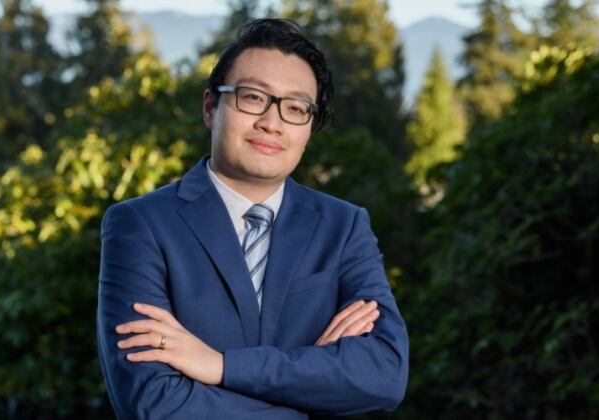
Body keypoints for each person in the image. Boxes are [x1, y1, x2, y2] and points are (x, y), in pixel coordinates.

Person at [96, 18, 409, 419]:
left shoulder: (343, 227)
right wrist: (314, 388)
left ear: (310, 127)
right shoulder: (140, 225)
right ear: (211, 107)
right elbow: (154, 404)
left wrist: (221, 366)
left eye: (296, 108)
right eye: (253, 97)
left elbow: (384, 374)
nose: (272, 122)